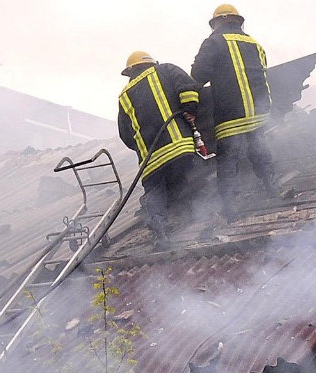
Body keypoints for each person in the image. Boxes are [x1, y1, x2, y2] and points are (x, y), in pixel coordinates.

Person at [191, 3, 279, 217]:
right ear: (237, 21)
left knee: (229, 158)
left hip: (230, 115)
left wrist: (188, 103)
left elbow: (198, 75)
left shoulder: (213, 42)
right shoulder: (253, 43)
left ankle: (229, 206)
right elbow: (262, 72)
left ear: (218, 22)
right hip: (258, 112)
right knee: (259, 148)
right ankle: (272, 187)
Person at [116, 50, 202, 244]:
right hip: (179, 145)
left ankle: (159, 229)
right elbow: (188, 88)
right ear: (150, 63)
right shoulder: (166, 70)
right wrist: (190, 110)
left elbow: (125, 134)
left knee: (155, 190)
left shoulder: (124, 95)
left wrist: (142, 147)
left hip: (150, 159)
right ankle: (191, 215)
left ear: (131, 71)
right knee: (183, 180)